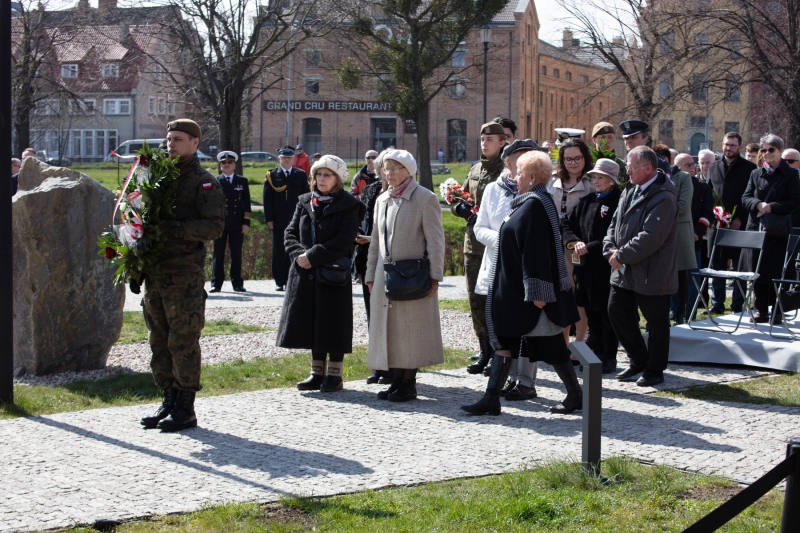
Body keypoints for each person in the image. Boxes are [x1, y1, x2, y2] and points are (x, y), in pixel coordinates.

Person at [461, 150, 581, 416]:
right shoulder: (529, 201)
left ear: (532, 176)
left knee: (551, 346)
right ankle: (491, 399)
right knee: (504, 341)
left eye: (520, 173)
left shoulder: (536, 205)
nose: (515, 177)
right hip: (514, 290)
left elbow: (537, 251)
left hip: (530, 295)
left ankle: (575, 395)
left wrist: (538, 294)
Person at [139, 119, 225, 432]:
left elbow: (214, 226)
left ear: (194, 143)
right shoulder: (158, 179)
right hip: (156, 274)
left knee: (183, 341)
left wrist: (174, 229)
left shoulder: (203, 182)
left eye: (177, 139)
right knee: (158, 340)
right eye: (168, 139)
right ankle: (168, 399)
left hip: (184, 276)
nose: (170, 144)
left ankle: (186, 408)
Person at [276, 155, 365, 392]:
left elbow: (344, 240)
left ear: (338, 179)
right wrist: (298, 255)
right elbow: (290, 233)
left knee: (333, 323)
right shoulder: (304, 201)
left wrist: (312, 256)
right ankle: (317, 373)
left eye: (328, 175)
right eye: (318, 174)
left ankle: (334, 375)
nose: (322, 179)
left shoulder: (349, 205)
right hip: (304, 273)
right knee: (312, 322)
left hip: (332, 274)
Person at [365, 149, 446, 402]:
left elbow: (435, 241)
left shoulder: (424, 198)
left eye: (394, 168)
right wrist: (369, 274)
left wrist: (435, 276)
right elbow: (375, 242)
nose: (389, 174)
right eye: (386, 169)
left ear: (408, 171)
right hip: (385, 274)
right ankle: (397, 381)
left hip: (413, 276)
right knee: (391, 330)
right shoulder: (382, 199)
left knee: (410, 331)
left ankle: (408, 384)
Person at [604, 146, 678, 387]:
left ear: (648, 168)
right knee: (616, 310)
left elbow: (651, 236)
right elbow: (615, 223)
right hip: (624, 269)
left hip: (651, 271)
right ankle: (638, 360)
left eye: (632, 167)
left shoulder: (664, 196)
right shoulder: (630, 189)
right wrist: (610, 248)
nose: (627, 171)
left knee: (656, 322)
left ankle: (655, 370)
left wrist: (621, 255)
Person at [473, 139, 540, 400]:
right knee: (500, 325)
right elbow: (480, 229)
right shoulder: (492, 189)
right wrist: (504, 241)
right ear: (508, 161)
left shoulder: (540, 190)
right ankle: (504, 379)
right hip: (497, 267)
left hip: (524, 268)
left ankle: (526, 380)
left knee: (526, 326)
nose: (523, 163)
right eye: (519, 158)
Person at [452, 122, 507, 375]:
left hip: (497, 246)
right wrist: (459, 208)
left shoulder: (507, 171)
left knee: (496, 301)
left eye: (491, 139)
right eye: (483, 139)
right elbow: (459, 197)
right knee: (476, 299)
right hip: (473, 245)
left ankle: (500, 352)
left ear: (502, 141)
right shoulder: (475, 169)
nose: (485, 143)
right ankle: (484, 350)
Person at [562, 158, 623, 373]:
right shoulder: (588, 200)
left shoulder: (618, 202)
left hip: (605, 264)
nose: (596, 181)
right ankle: (594, 354)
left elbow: (616, 234)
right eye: (594, 177)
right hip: (584, 266)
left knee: (606, 313)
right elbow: (567, 223)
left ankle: (608, 356)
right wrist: (574, 242)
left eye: (600, 178)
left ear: (612, 181)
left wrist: (590, 246)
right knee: (590, 310)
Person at [740, 134, 800, 324]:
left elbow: (795, 201)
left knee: (778, 270)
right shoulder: (755, 173)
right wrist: (758, 204)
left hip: (779, 230)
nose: (766, 154)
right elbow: (745, 197)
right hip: (758, 229)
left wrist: (771, 207)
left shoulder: (790, 174)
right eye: (763, 150)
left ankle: (778, 310)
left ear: (780, 151)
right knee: (759, 270)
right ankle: (760, 309)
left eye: (771, 150)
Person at [549, 138, 595, 346]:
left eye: (577, 158)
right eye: (568, 159)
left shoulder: (592, 183)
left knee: (576, 294)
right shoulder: (552, 180)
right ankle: (562, 342)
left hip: (577, 246)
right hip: (553, 243)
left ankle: (580, 341)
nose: (573, 163)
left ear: (585, 158)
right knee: (560, 293)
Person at [355, 150, 394, 386]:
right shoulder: (370, 192)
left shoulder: (401, 194)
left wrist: (372, 239)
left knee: (390, 317)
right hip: (368, 257)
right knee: (372, 315)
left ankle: (391, 366)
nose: (383, 173)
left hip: (391, 261)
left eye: (386, 168)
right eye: (380, 169)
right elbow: (363, 222)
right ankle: (377, 365)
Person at [707, 132, 756, 314]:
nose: (729, 148)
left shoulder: (749, 168)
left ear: (740, 147)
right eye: (726, 144)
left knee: (738, 266)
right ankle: (717, 302)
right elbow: (709, 192)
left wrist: (739, 217)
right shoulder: (713, 167)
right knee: (716, 265)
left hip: (738, 224)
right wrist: (714, 214)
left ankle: (738, 304)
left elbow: (749, 196)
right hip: (717, 224)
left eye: (733, 145)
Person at [654, 144, 696, 325]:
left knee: (681, 275)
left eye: (662, 160)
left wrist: (658, 213)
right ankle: (665, 313)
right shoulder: (653, 178)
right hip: (659, 231)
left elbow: (684, 204)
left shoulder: (683, 177)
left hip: (679, 230)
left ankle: (680, 314)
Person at [264, 146, 309, 292]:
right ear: (279, 159)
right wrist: (269, 218)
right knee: (278, 250)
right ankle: (279, 280)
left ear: (293, 159)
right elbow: (267, 199)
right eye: (284, 158)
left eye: (289, 158)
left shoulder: (300, 175)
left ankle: (292, 278)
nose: (287, 160)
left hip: (295, 220)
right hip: (278, 219)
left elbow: (305, 197)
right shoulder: (272, 175)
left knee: (295, 249)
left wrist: (305, 216)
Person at [676, 153, 714, 319]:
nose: (693, 167)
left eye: (693, 164)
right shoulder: (672, 186)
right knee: (674, 279)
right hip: (675, 240)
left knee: (692, 280)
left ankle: (690, 311)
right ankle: (675, 309)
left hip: (694, 240)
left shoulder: (702, 187)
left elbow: (708, 213)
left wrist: (697, 232)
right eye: (688, 165)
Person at [210, 151, 251, 293]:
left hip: (237, 223)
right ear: (220, 166)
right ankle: (216, 283)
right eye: (224, 163)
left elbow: (246, 203)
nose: (226, 165)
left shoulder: (242, 181)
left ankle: (237, 283)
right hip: (220, 224)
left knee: (236, 254)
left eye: (229, 163)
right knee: (218, 254)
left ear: (234, 165)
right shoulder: (216, 181)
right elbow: (212, 204)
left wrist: (246, 222)